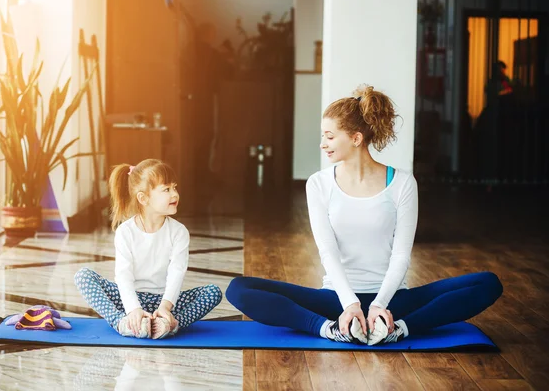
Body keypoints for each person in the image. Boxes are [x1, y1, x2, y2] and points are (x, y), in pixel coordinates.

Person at [226, 85, 503, 345]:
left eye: (330, 136)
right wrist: (351, 304)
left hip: (394, 299)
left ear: (356, 138)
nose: (323, 143)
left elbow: (401, 255)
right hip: (336, 299)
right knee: (239, 288)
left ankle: (396, 329)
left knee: (488, 283)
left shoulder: (403, 183)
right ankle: (331, 329)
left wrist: (380, 305)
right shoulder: (318, 184)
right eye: (323, 135)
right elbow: (328, 251)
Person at [75, 159, 222, 339]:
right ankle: (124, 322)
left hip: (165, 301)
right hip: (131, 299)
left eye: (175, 187)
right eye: (166, 189)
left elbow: (177, 273)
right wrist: (133, 309)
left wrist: (165, 307)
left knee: (213, 292)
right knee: (83, 276)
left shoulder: (179, 232)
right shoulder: (125, 232)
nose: (175, 194)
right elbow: (123, 275)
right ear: (143, 198)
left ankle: (168, 323)